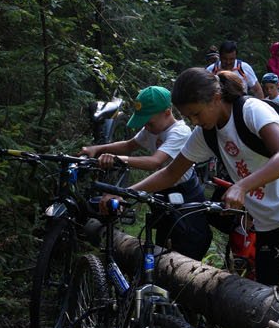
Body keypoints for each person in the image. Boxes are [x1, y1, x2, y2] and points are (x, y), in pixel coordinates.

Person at [118, 68, 279, 312]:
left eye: (196, 113)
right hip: (271, 222)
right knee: (267, 302)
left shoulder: (251, 110)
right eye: (189, 116)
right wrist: (126, 193)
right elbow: (171, 172)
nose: (194, 121)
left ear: (215, 98)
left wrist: (242, 186)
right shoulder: (206, 134)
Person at [81, 85, 211, 260]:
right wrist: (96, 149)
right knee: (162, 249)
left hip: (185, 196)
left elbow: (154, 162)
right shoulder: (152, 128)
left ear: (167, 112)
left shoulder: (179, 132)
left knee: (186, 249)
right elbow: (129, 145)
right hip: (163, 194)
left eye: (149, 122)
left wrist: (118, 159)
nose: (147, 127)